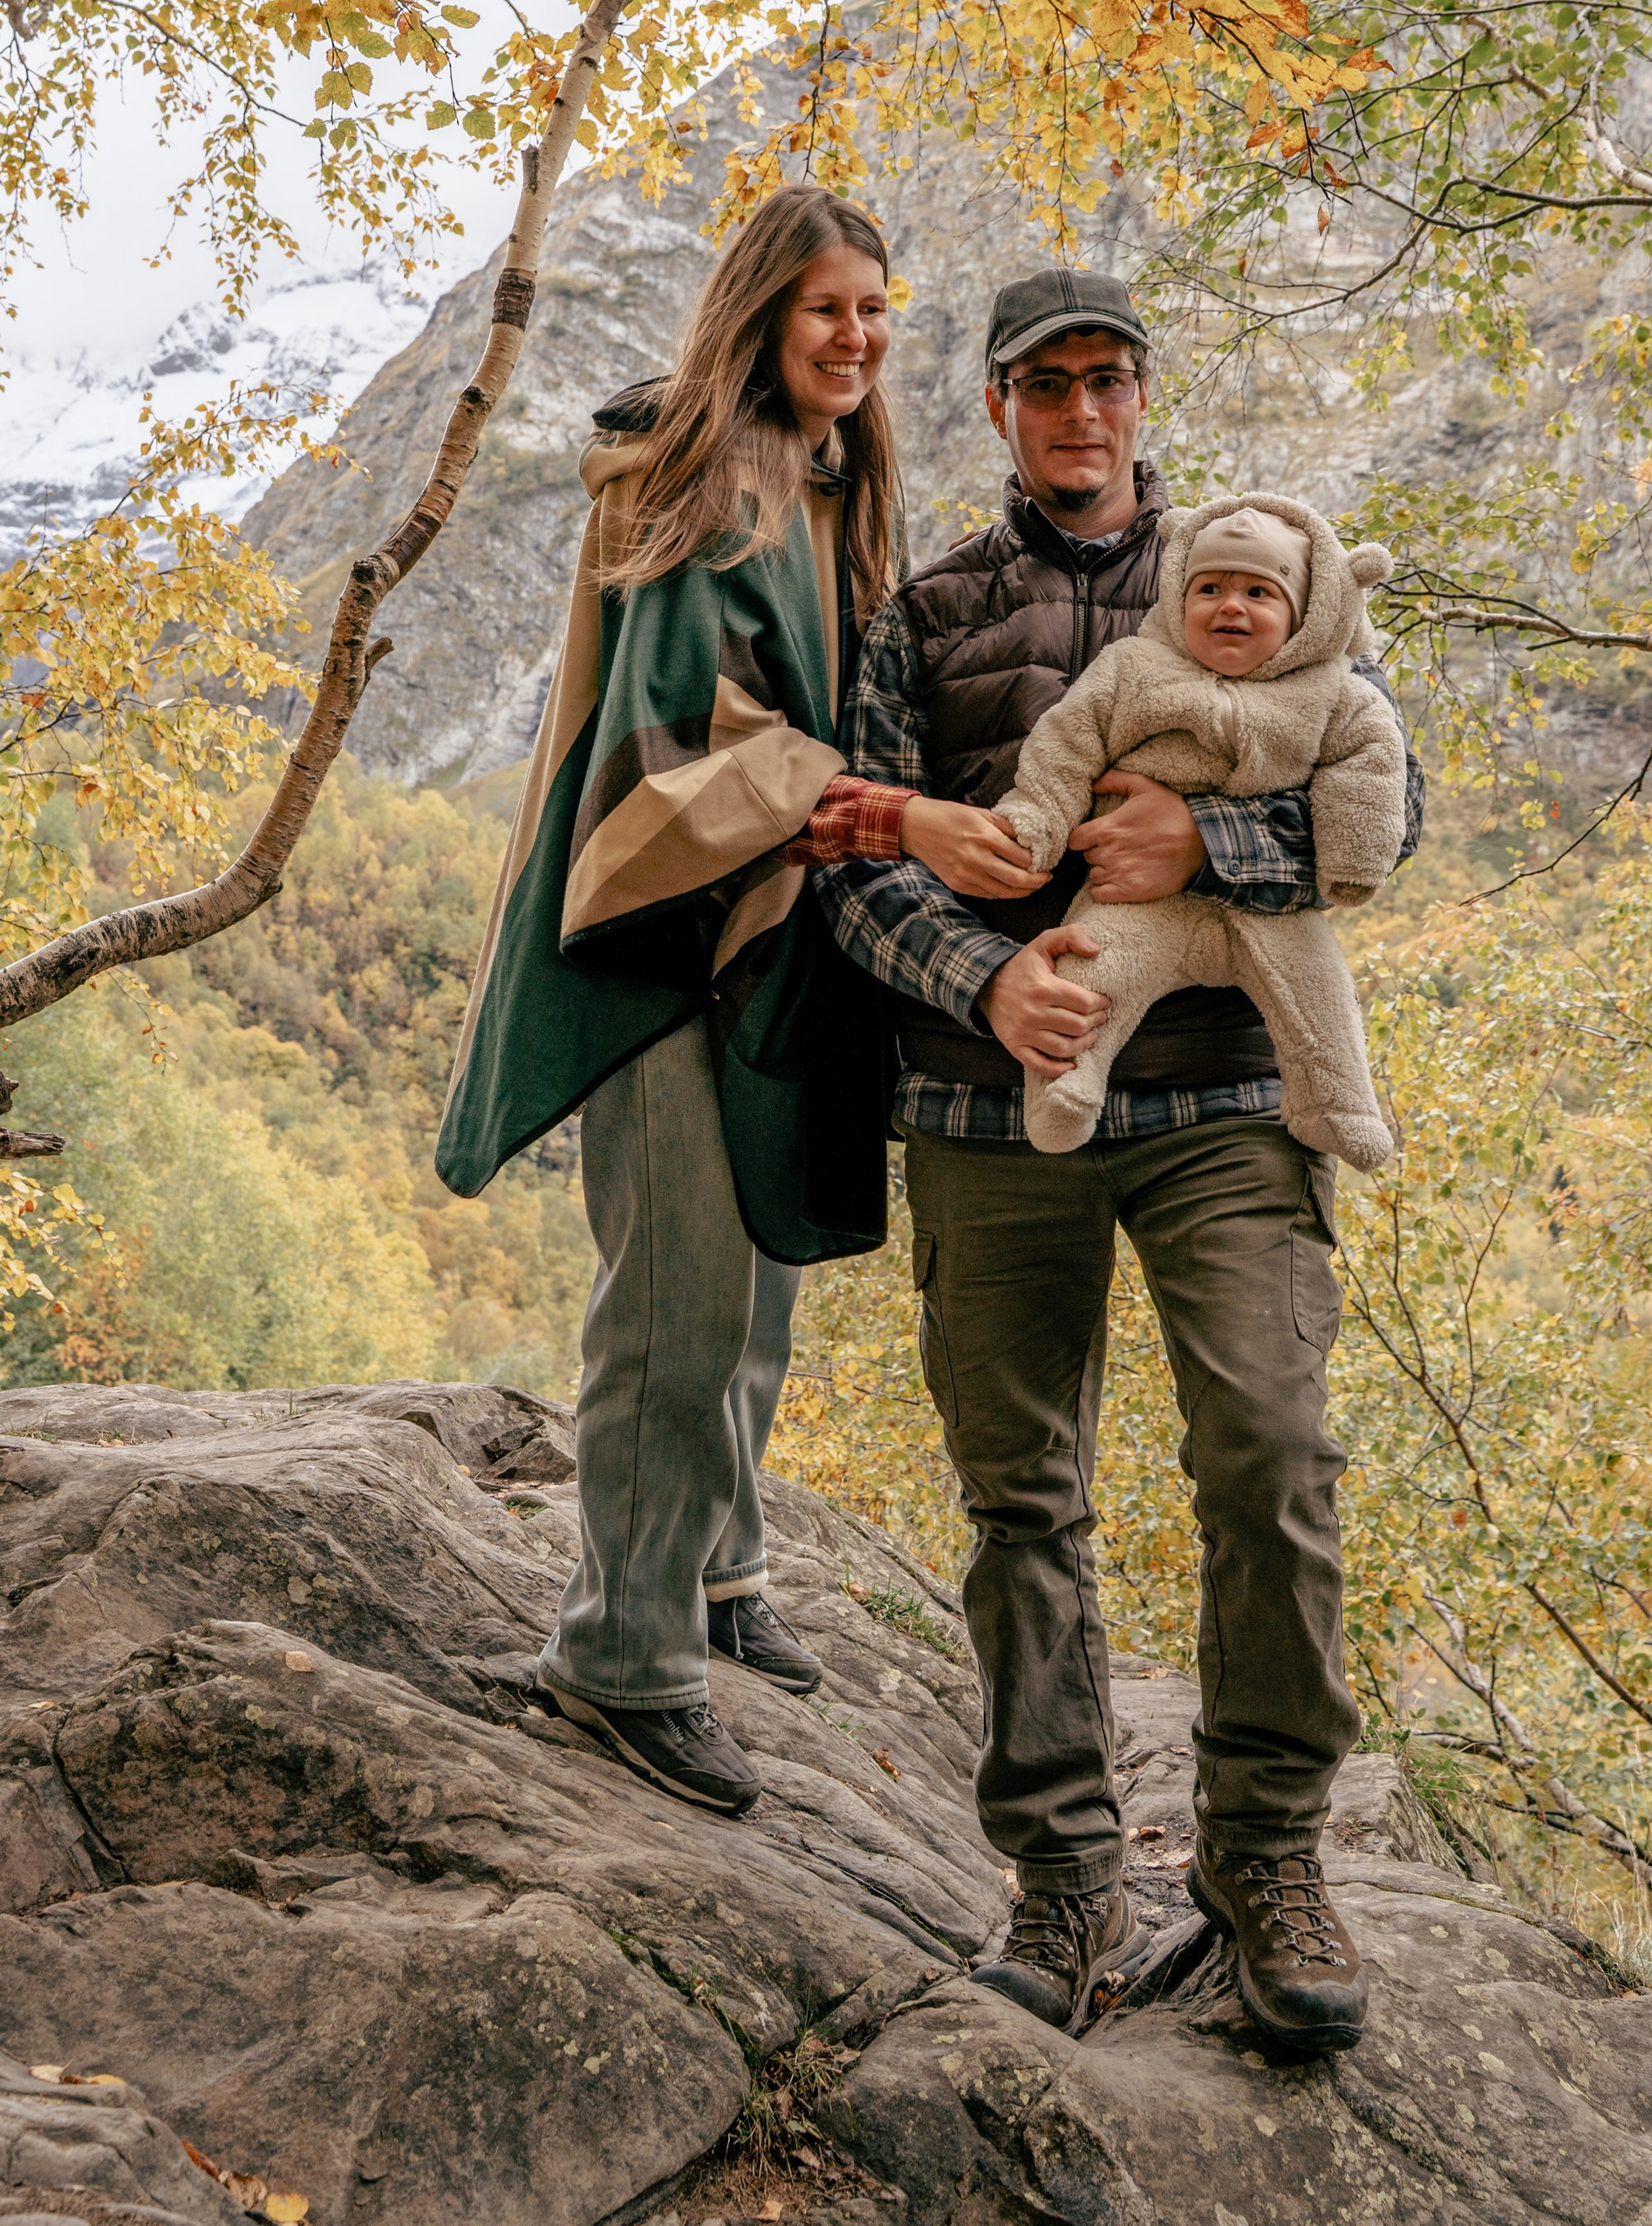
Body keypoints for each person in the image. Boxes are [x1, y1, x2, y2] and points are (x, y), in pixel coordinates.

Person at [814, 268, 1423, 2057]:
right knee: (1023, 1506)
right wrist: (985, 982)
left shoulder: (1262, 578)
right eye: (1044, 385)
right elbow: (851, 859)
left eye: (1107, 381)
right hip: (987, 1117)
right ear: (997, 408)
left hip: (1226, 1108)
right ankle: (1065, 1880)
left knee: (1271, 1452)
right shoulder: (917, 615)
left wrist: (1209, 836)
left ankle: (1262, 1859)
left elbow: (1383, 806)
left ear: (1143, 400)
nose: (1080, 413)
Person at [436, 186, 1027, 1818]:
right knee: (675, 1304)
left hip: (779, 927)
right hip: (663, 944)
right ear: (763, 315)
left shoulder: (831, 482)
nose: (859, 335)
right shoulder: (708, 490)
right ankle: (621, 1660)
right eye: (828, 307)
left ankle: (713, 1568)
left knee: (757, 1275)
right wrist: (877, 802)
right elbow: (673, 756)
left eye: (878, 307)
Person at [993, 493, 1403, 1167]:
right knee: (1087, 971)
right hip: (1134, 897)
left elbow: (1372, 763)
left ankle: (1336, 1107)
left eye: (1259, 593)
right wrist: (1037, 817)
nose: (1230, 606)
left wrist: (1351, 857)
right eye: (1208, 587)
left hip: (1272, 910)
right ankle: (1066, 1091)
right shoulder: (1134, 668)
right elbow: (1066, 742)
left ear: (1305, 616)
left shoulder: (1335, 690)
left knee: (1320, 994)